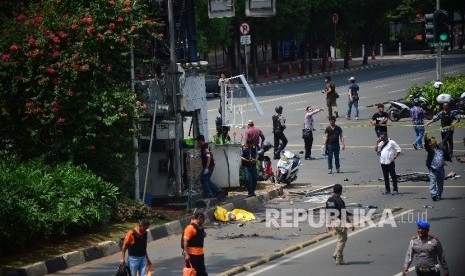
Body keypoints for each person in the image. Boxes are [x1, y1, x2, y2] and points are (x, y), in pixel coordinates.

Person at [325, 184, 354, 265]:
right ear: (341, 191)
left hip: (333, 222)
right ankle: (339, 259)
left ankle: (336, 254)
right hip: (339, 222)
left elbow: (327, 213)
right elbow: (344, 214)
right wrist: (350, 223)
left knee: (340, 238)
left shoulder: (329, 200)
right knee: (342, 240)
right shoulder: (340, 201)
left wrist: (328, 224)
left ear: (333, 190)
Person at [424, 133, 452, 201]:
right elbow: (426, 146)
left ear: (435, 143)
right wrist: (425, 139)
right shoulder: (430, 150)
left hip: (441, 168)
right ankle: (433, 195)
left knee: (440, 183)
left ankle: (438, 195)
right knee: (433, 182)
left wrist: (450, 129)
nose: (430, 145)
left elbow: (446, 138)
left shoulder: (441, 147)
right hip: (433, 168)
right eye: (430, 144)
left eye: (431, 143)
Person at [196, 134, 224, 199]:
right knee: (206, 180)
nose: (198, 143)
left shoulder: (205, 147)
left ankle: (209, 193)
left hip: (209, 166)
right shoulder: (205, 146)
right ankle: (218, 190)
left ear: (200, 140)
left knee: (203, 179)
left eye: (198, 141)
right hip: (210, 166)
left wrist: (206, 168)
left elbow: (208, 157)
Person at [183, 211, 208, 276]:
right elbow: (185, 241)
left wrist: (202, 230)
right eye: (203, 219)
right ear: (199, 218)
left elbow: (202, 236)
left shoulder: (199, 227)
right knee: (193, 273)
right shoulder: (190, 228)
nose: (204, 221)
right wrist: (186, 254)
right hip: (192, 255)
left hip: (200, 254)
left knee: (202, 272)